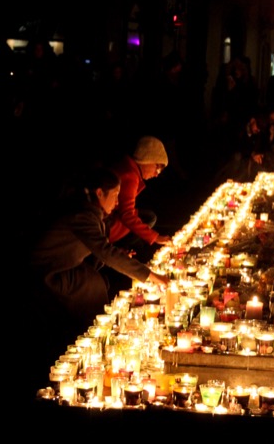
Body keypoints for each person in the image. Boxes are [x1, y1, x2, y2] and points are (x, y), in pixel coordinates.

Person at [23, 166, 170, 373]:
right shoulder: (82, 215)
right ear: (99, 193)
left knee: (96, 285)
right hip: (48, 273)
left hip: (64, 267)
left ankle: (91, 337)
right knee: (93, 289)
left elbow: (99, 248)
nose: (118, 202)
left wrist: (121, 255)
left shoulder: (91, 213)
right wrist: (150, 275)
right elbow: (104, 251)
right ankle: (83, 346)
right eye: (115, 195)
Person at [108, 136, 174, 266]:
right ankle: (124, 251)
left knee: (148, 217)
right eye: (157, 168)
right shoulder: (130, 176)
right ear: (147, 160)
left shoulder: (127, 167)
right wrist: (156, 237)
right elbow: (127, 215)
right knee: (148, 219)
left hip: (109, 218)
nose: (156, 174)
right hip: (106, 225)